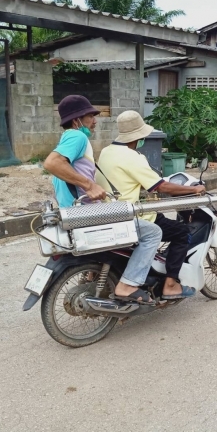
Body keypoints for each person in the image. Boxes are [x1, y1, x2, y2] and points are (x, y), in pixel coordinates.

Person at [43, 95, 162, 305]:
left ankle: (94, 276)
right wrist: (89, 185)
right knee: (153, 232)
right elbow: (51, 163)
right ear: (77, 119)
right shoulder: (77, 137)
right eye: (90, 116)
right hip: (85, 214)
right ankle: (128, 285)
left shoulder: (67, 140)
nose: (95, 121)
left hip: (71, 212)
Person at [96, 110, 205, 300]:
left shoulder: (106, 152)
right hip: (134, 216)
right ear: (139, 136)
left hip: (110, 212)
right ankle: (170, 285)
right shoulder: (133, 157)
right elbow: (160, 186)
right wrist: (194, 190)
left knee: (164, 223)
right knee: (182, 232)